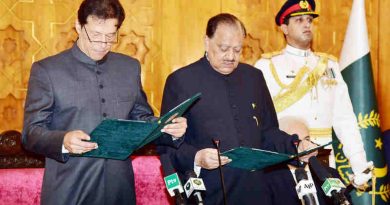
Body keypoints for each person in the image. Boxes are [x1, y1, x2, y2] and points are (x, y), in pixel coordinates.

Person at [22, 0, 187, 204]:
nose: (102, 44)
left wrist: (166, 128)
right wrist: (62, 141)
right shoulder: (47, 70)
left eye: (110, 37)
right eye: (96, 36)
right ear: (79, 26)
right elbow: (31, 133)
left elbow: (140, 119)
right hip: (69, 189)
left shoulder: (129, 67)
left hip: (119, 189)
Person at [158, 13, 309, 205]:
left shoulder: (253, 77)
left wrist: (297, 146)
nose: (231, 56)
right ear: (206, 42)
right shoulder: (181, 81)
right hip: (209, 192)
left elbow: (268, 132)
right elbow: (167, 146)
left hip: (257, 190)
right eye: (224, 49)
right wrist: (196, 157)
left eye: (237, 50)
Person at [254, 0, 372, 188]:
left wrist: (358, 163)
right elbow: (258, 122)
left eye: (309, 19)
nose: (307, 24)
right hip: (286, 160)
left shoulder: (330, 66)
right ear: (284, 28)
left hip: (324, 161)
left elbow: (345, 120)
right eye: (299, 20)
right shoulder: (266, 66)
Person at [264, 117, 344, 205]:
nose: (305, 146)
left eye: (307, 139)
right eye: (296, 142)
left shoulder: (331, 174)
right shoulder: (269, 181)